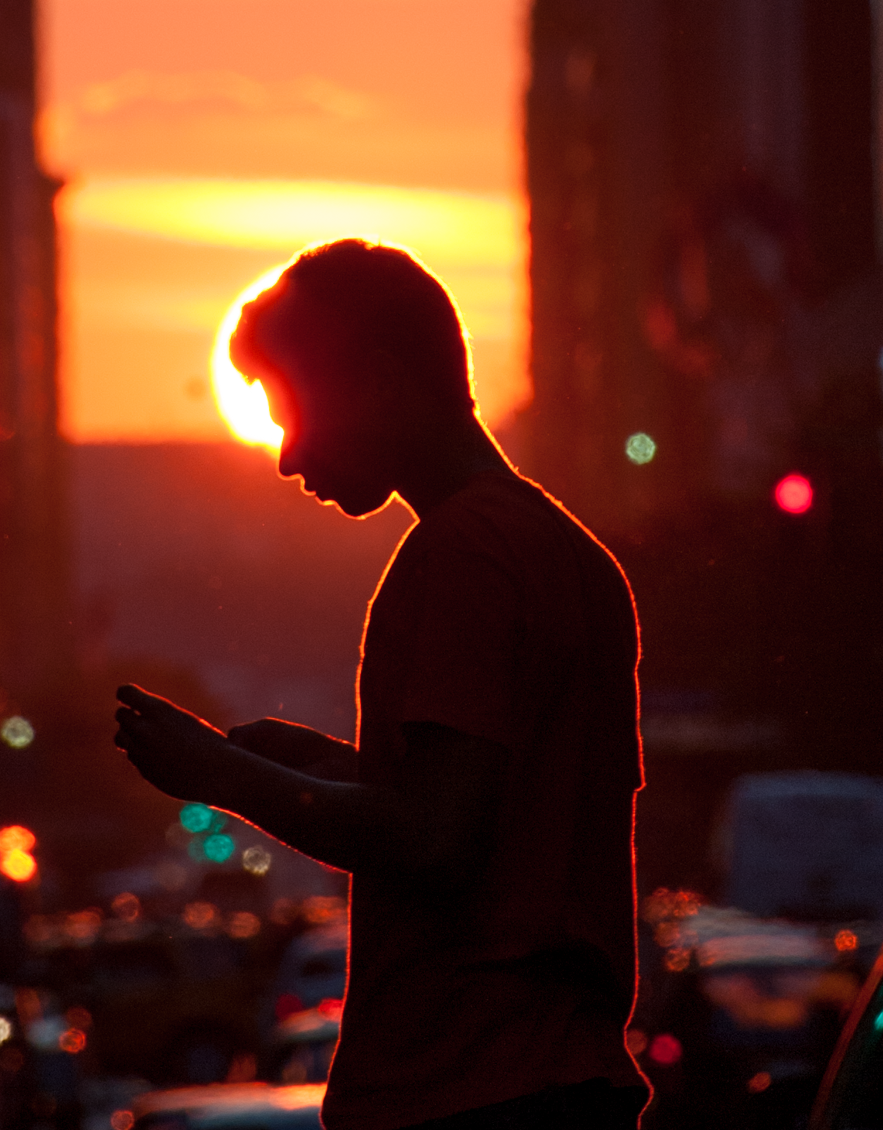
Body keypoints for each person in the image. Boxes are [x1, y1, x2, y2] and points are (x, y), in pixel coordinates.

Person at [114, 239, 648, 1130]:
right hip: (562, 1074)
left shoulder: (457, 556)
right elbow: (493, 802)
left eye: (295, 413)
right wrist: (317, 765)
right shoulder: (571, 556)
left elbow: (438, 837)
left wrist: (225, 779)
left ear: (381, 382)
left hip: (465, 1082)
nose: (286, 457)